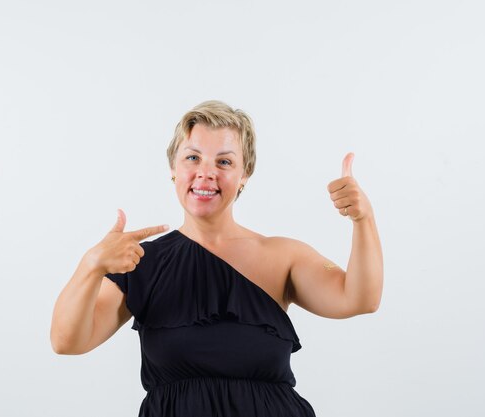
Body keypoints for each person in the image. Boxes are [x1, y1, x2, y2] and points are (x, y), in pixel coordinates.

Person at [50, 100, 384, 417]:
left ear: (245, 174)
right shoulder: (140, 262)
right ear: (173, 169)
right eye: (192, 158)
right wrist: (91, 265)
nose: (205, 173)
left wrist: (363, 219)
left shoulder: (284, 255)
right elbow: (67, 342)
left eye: (224, 162)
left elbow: (359, 298)